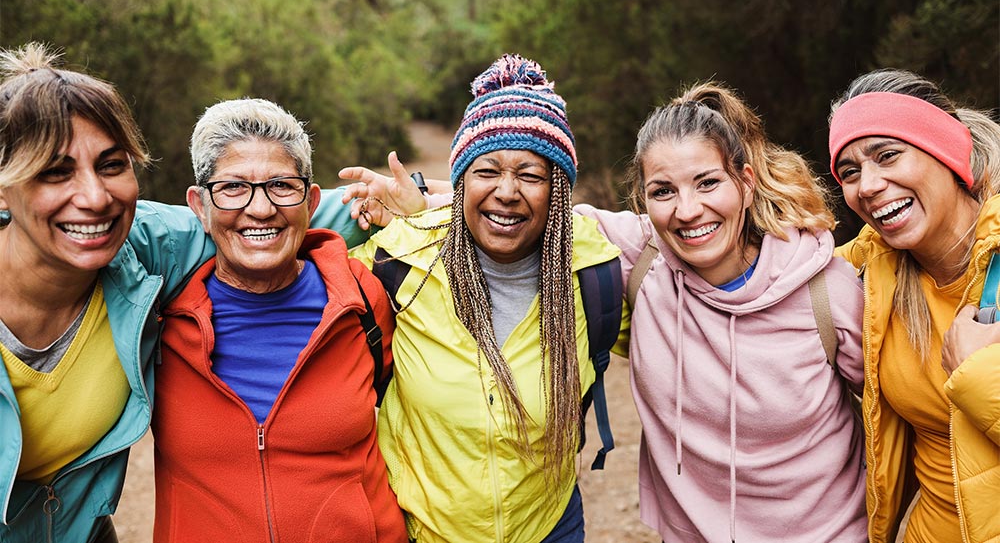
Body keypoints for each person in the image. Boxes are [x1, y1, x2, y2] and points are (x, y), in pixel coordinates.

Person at [0, 43, 366, 543]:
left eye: (111, 165)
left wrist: (437, 194)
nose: (93, 197)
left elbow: (264, 215)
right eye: (54, 172)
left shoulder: (142, 248)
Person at [343, 54, 628, 543]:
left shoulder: (595, 272)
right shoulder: (399, 261)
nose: (507, 192)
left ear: (558, 192)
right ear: (460, 183)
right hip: (422, 531)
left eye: (532, 175)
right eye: (487, 171)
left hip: (550, 527)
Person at [570, 82, 867, 542]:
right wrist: (425, 198)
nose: (688, 211)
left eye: (707, 183)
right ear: (643, 201)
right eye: (663, 191)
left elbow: (902, 413)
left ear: (746, 184)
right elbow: (526, 211)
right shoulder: (643, 259)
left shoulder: (826, 292)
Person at [150, 98, 407, 543]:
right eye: (232, 188)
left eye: (282, 186)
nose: (261, 209)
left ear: (310, 201)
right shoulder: (159, 319)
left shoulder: (362, 299)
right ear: (199, 205)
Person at [829, 69, 1000, 543]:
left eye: (887, 155)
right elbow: (765, 280)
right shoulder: (872, 269)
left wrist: (979, 374)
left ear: (945, 150)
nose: (867, 185)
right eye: (849, 172)